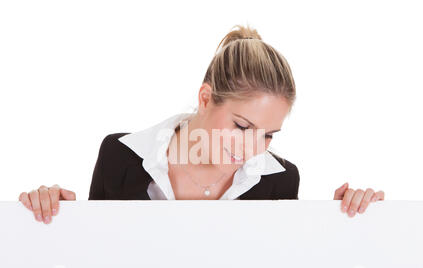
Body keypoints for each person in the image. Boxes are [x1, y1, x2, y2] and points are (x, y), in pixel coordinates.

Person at [18, 24, 384, 224]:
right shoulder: (120, 156)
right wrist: (55, 219)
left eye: (269, 134)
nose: (253, 148)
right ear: (206, 98)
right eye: (242, 126)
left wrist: (343, 225)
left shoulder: (280, 180)